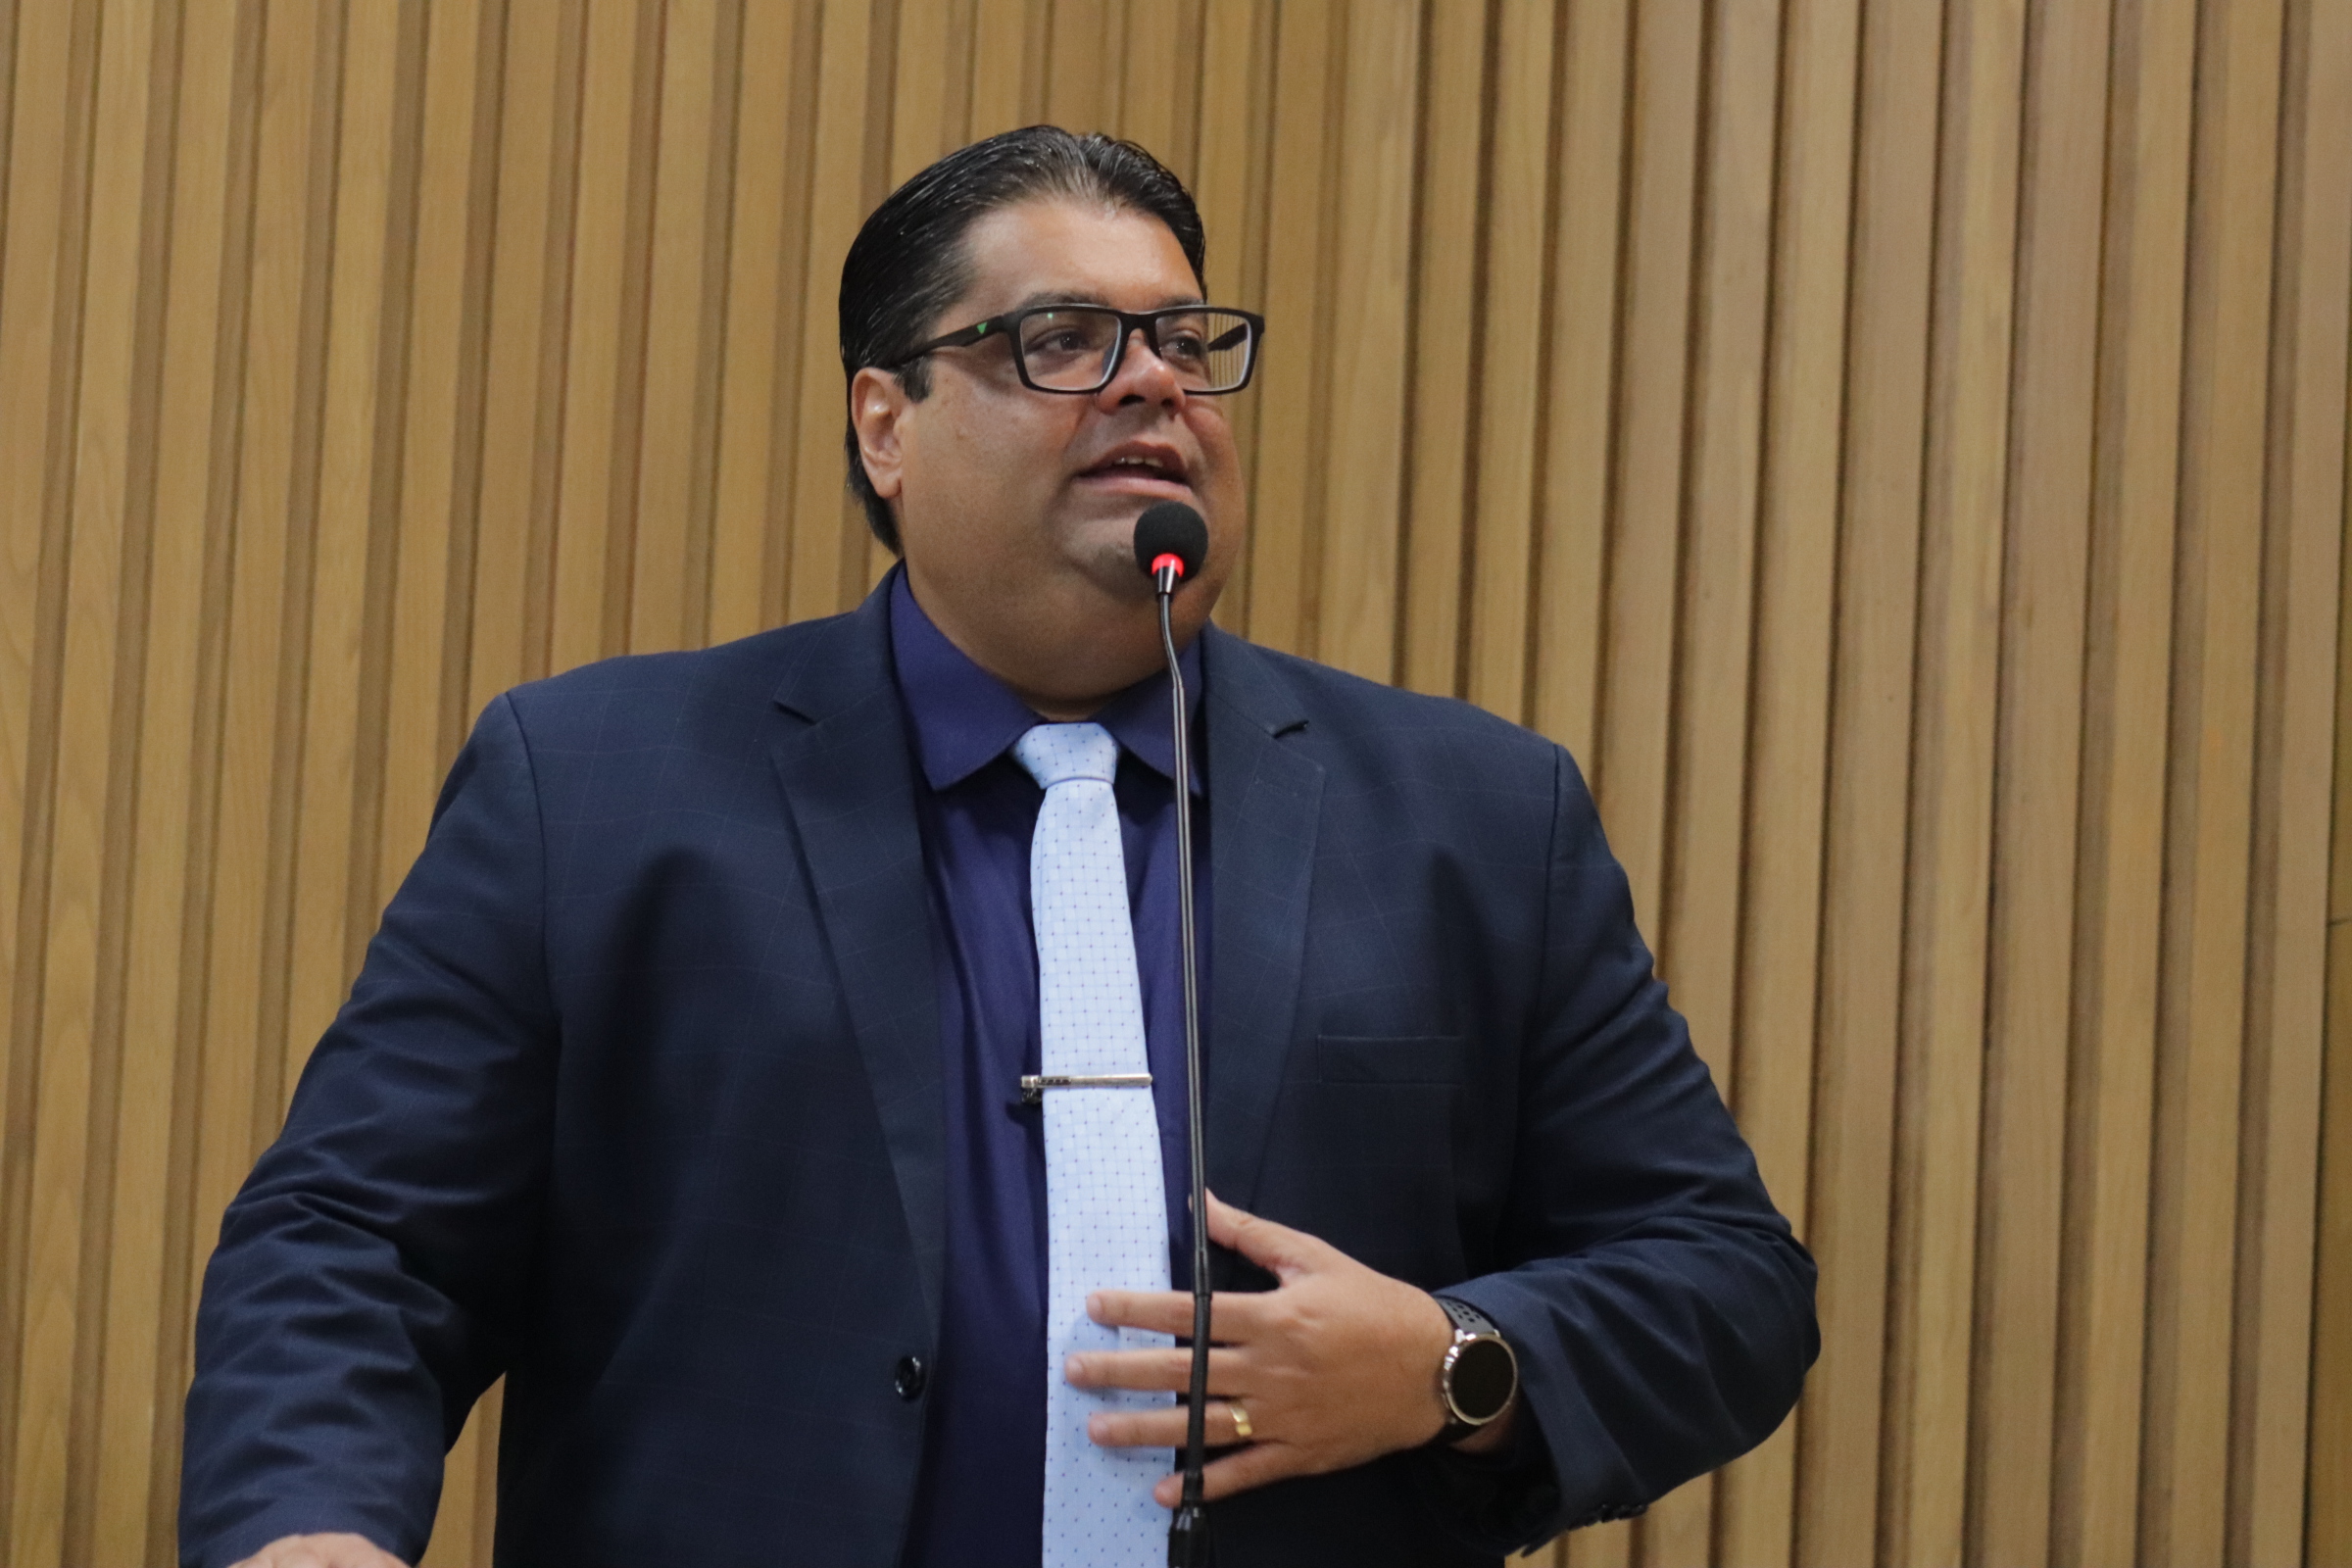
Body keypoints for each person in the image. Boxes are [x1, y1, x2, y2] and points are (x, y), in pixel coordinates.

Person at [180, 127, 1816, 1568]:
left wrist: (1453, 1363)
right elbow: (357, 1241)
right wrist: (309, 1524)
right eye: (1063, 340)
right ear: (885, 424)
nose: (1155, 382)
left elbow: (1723, 1282)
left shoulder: (1471, 815)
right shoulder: (600, 789)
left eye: (1187, 341)